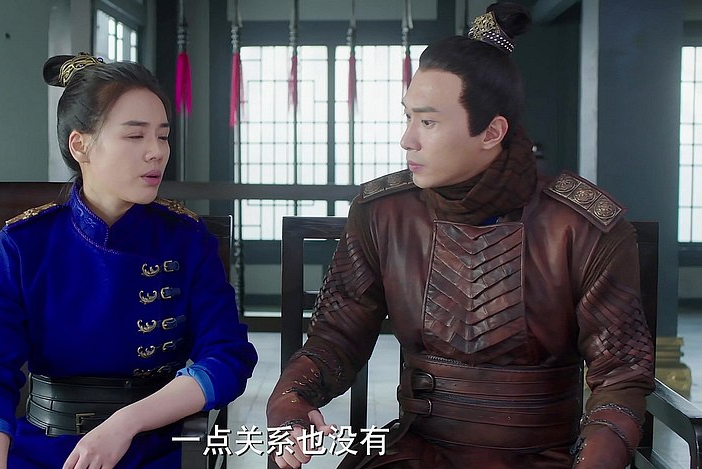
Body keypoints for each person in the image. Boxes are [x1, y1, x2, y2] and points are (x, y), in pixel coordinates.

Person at [267, 3, 654, 468]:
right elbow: (337, 337)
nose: (407, 139)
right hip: (416, 450)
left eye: (427, 122)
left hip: (544, 455)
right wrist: (289, 401)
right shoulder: (383, 212)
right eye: (408, 117)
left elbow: (620, 379)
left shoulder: (581, 225)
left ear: (491, 132)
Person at [0, 53, 258, 469]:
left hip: (157, 448)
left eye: (163, 136)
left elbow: (228, 357)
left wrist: (126, 423)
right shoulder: (26, 243)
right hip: (44, 447)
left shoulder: (186, 239)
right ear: (80, 145)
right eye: (135, 136)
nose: (156, 152)